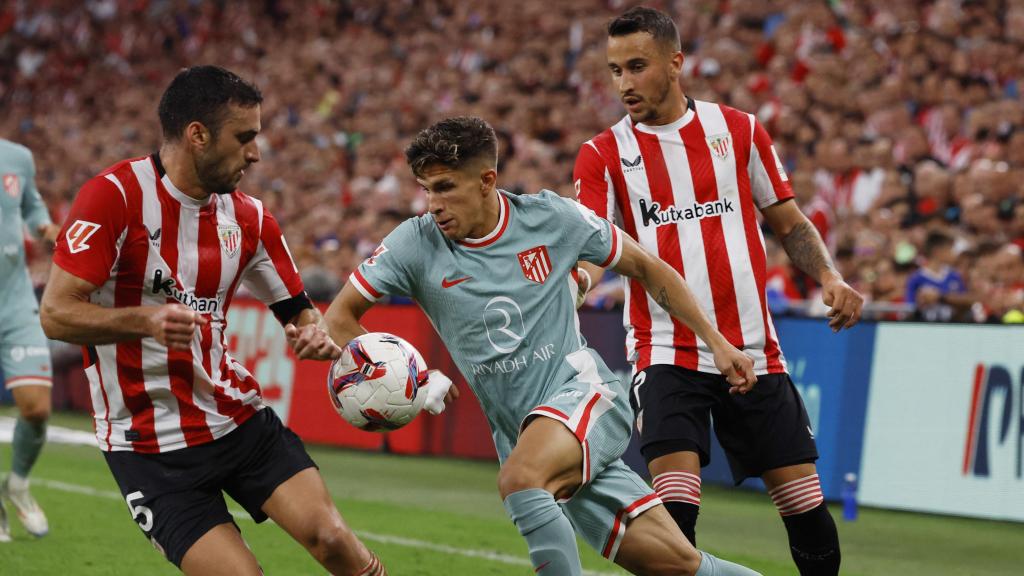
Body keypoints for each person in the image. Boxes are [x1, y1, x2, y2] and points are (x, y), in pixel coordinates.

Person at [324, 116, 762, 576]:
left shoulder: (551, 218)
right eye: (427, 189)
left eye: (446, 187)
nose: (433, 204)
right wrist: (416, 379)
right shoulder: (415, 243)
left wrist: (718, 345)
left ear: (487, 180)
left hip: (583, 395)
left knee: (520, 480)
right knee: (679, 565)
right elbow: (339, 319)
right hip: (522, 434)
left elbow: (649, 267)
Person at [39, 66, 385, 576]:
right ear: (197, 135)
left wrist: (311, 331)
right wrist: (145, 321)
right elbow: (55, 312)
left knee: (333, 539)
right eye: (244, 137)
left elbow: (298, 309)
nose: (256, 153)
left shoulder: (251, 219)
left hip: (237, 421)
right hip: (147, 446)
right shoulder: (114, 196)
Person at [572, 7, 865, 576]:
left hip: (755, 347)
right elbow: (591, 249)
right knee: (676, 518)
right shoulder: (603, 154)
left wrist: (829, 276)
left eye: (637, 66)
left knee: (805, 508)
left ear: (675, 63)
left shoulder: (739, 130)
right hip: (664, 351)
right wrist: (576, 285)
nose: (625, 83)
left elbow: (790, 223)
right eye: (614, 71)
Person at [0, 138, 61, 542]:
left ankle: (17, 483)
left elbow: (31, 206)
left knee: (36, 408)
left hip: (15, 302)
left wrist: (44, 226)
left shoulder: (18, 156)